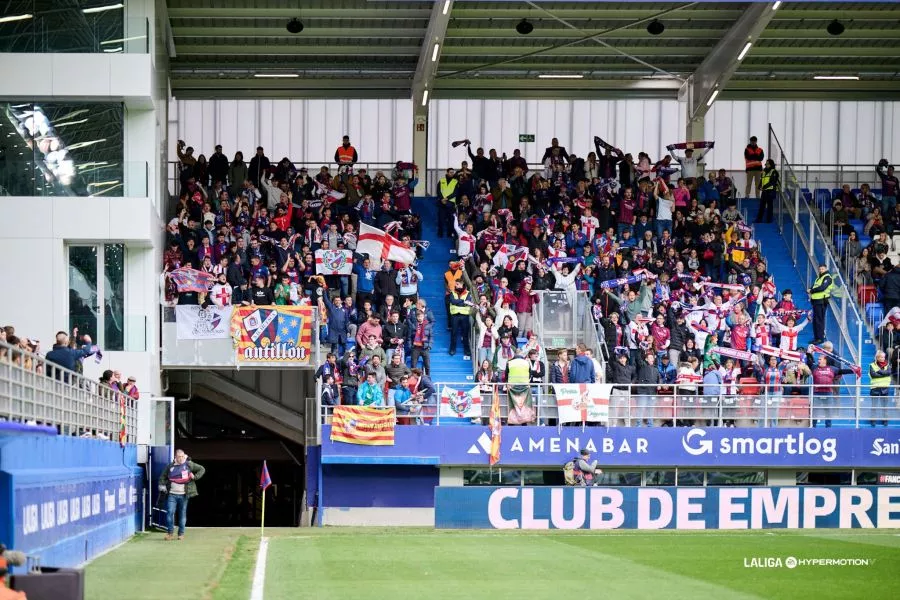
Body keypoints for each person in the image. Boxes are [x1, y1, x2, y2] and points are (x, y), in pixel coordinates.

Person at [157, 449, 205, 541]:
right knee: (170, 512)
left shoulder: (189, 464)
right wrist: (162, 486)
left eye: (182, 456)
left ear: (184, 456)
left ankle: (181, 534)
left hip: (184, 495)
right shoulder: (170, 466)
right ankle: (170, 533)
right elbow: (162, 477)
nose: (181, 458)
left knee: (182, 514)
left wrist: (195, 477)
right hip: (172, 494)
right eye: (179, 457)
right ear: (176, 457)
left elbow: (202, 469)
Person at [808, 264, 833, 344]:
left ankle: (820, 338)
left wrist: (811, 291)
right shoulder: (819, 278)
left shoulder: (827, 277)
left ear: (826, 269)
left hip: (821, 301)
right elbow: (815, 286)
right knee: (816, 320)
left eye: (822, 269)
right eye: (820, 269)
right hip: (816, 301)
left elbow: (822, 288)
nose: (821, 270)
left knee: (819, 320)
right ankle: (816, 337)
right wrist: (810, 289)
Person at [869, 350, 892, 427]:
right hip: (875, 388)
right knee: (874, 406)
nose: (883, 358)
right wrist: (884, 374)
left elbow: (889, 373)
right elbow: (873, 375)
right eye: (881, 357)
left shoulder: (887, 365)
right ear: (877, 357)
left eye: (884, 357)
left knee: (884, 406)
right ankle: (873, 420)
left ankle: (885, 420)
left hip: (885, 388)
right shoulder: (872, 365)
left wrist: (879, 371)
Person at [756, 159, 779, 224]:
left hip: (770, 191)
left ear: (771, 164)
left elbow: (772, 182)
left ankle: (769, 220)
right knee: (762, 205)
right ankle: (759, 219)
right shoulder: (763, 172)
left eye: (767, 164)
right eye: (766, 164)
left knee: (769, 206)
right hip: (764, 191)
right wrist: (759, 186)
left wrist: (764, 186)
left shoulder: (774, 172)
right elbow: (761, 180)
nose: (766, 165)